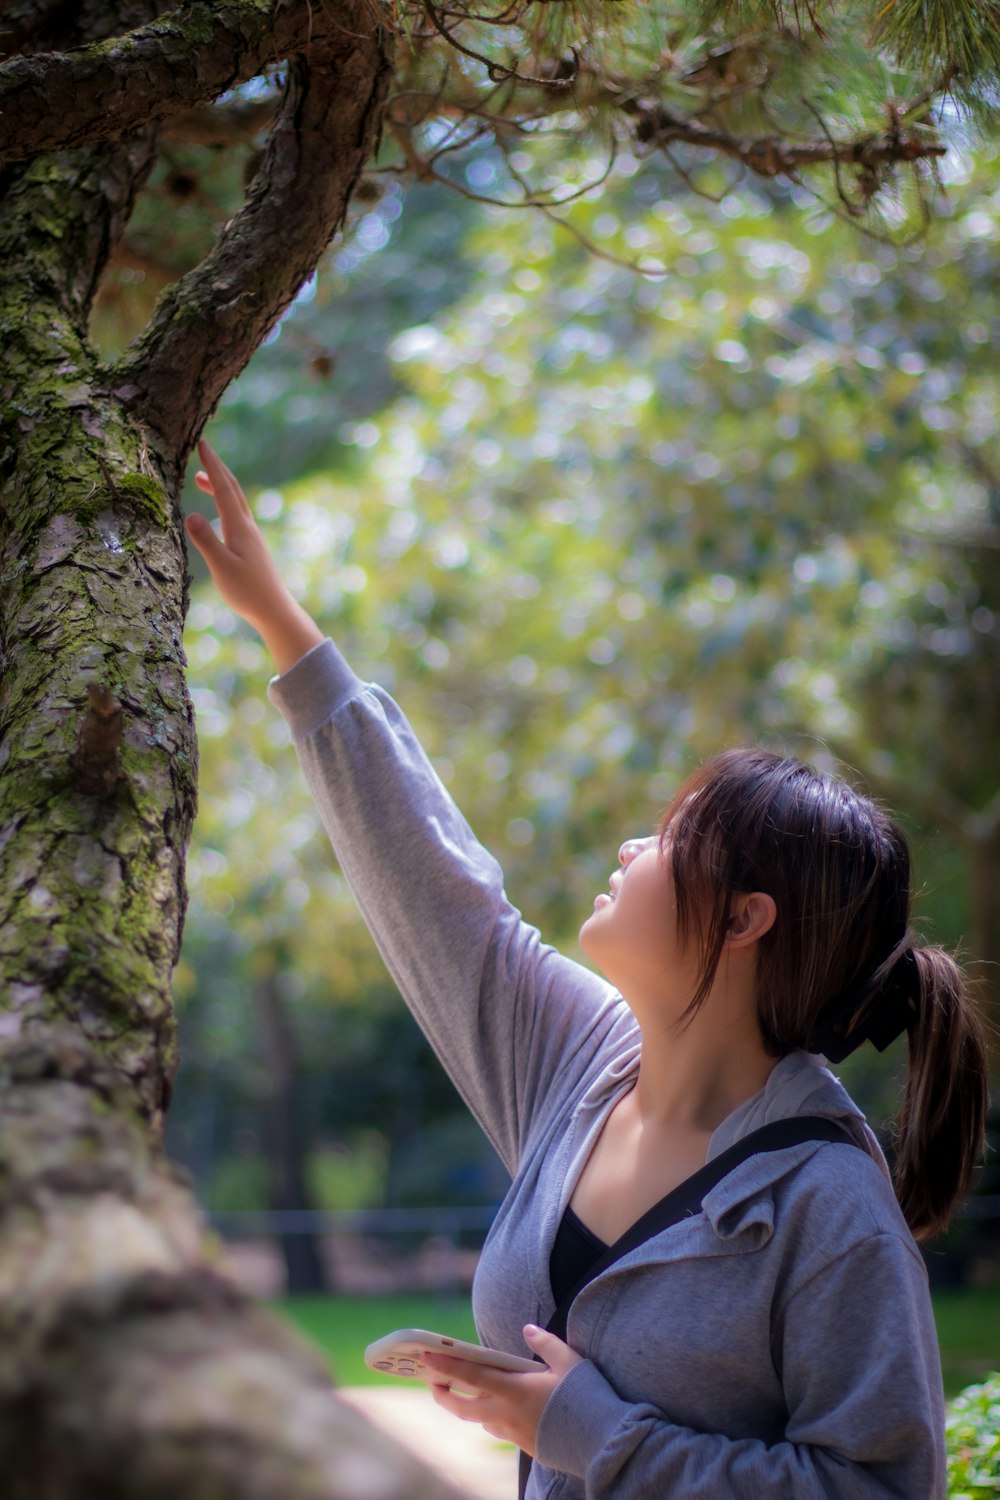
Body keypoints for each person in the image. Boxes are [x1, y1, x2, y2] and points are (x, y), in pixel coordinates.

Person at [187, 440, 988, 1499]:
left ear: (745, 918)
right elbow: (437, 893)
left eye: (670, 836)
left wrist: (595, 1433)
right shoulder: (582, 1066)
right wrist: (284, 627)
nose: (630, 848)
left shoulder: (827, 1206)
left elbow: (882, 1490)